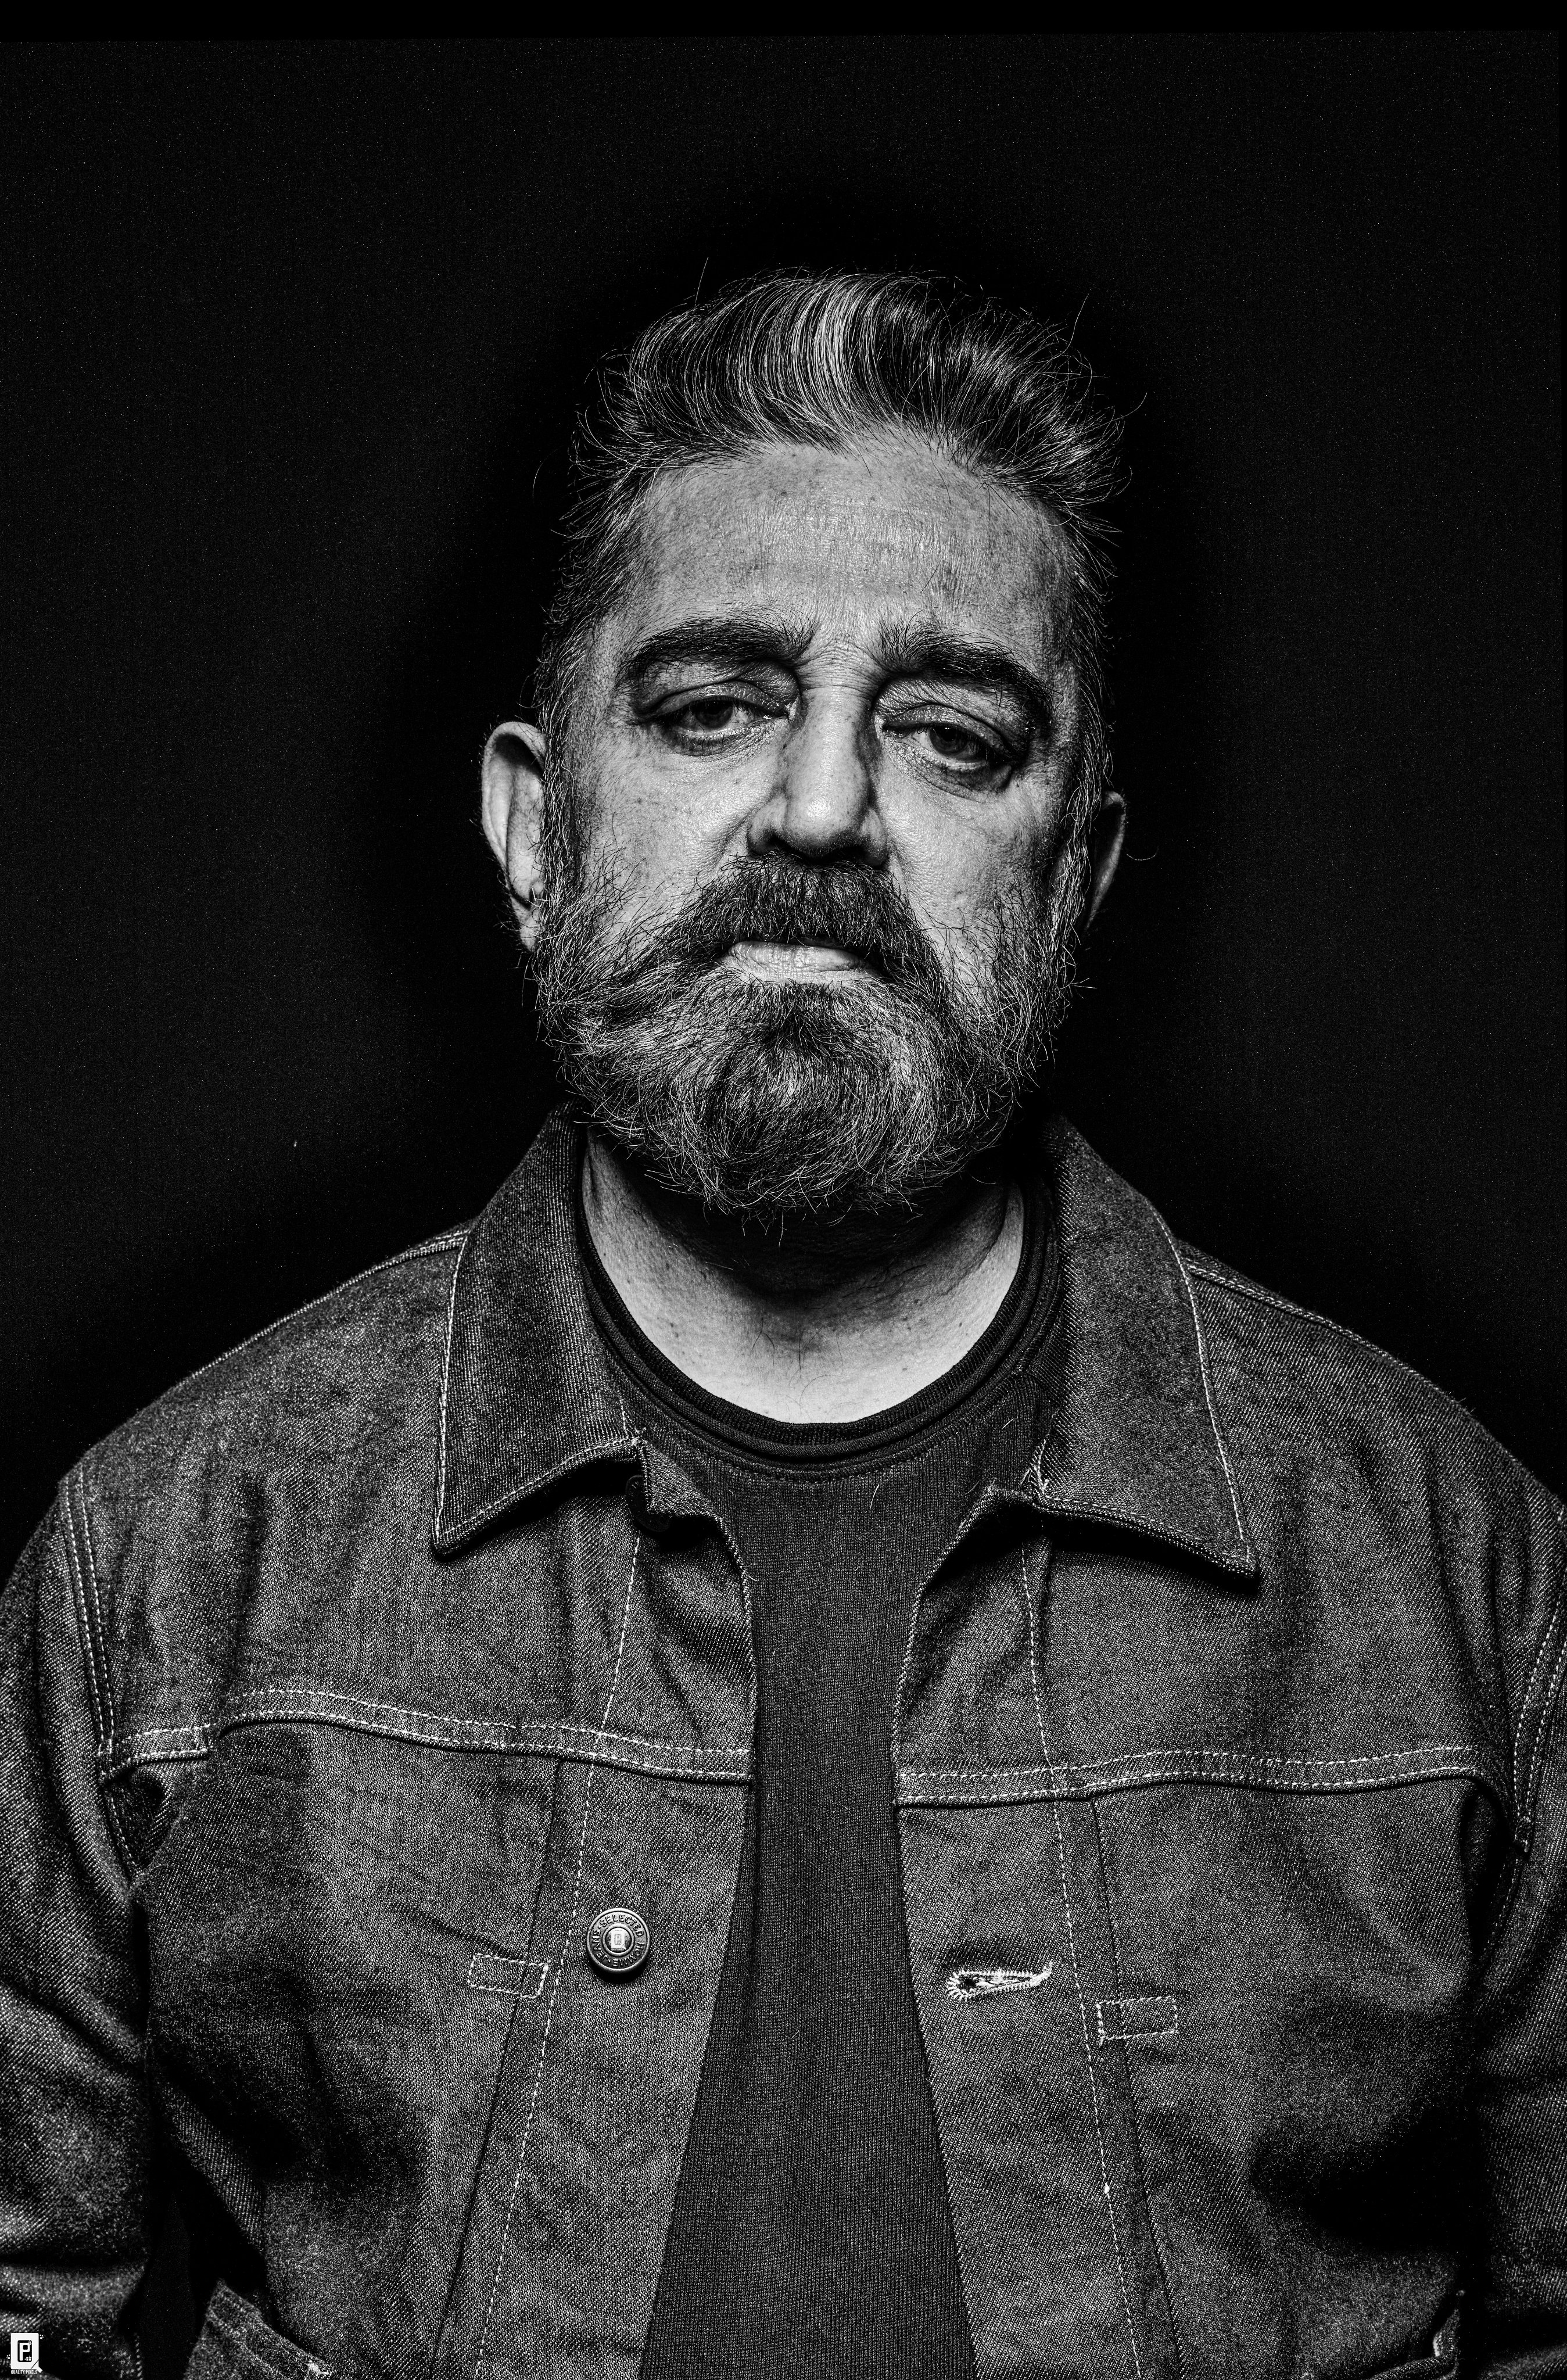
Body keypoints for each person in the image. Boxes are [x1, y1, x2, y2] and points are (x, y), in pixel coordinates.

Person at [2, 270, 1561, 2380]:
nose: (822, 809)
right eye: (713, 706)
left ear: (1077, 873)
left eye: (953, 738)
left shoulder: (1463, 1586)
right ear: (535, 828)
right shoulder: (173, 1563)